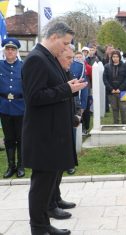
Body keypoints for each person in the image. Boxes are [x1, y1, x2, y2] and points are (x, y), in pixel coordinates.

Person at [21, 22, 87, 235]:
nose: (66, 48)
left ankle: (44, 224)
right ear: (54, 37)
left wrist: (69, 88)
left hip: (52, 133)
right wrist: (67, 89)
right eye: (65, 43)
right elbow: (34, 97)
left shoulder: (48, 58)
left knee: (48, 185)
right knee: (40, 187)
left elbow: (54, 89)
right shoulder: (36, 60)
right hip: (43, 135)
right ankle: (38, 228)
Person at [48, 46, 79, 220]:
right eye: (69, 58)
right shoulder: (54, 72)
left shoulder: (64, 71)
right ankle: (50, 204)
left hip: (65, 121)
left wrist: (76, 113)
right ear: (59, 56)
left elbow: (70, 97)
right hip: (54, 126)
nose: (71, 62)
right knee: (54, 167)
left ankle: (56, 198)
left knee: (60, 166)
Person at [0, 38, 25, 178]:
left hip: (20, 106)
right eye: (8, 49)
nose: (10, 51)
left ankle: (21, 166)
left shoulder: (23, 66)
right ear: (4, 51)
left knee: (21, 138)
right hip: (4, 107)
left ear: (16, 52)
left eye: (13, 49)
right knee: (9, 138)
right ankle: (11, 166)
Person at [103, 50, 126, 124]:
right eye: (113, 57)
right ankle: (116, 124)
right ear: (111, 58)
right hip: (111, 92)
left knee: (123, 108)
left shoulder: (125, 65)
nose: (115, 58)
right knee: (114, 108)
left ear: (119, 57)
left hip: (123, 91)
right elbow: (105, 79)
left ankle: (124, 124)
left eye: (117, 57)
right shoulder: (107, 66)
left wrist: (120, 89)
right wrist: (111, 89)